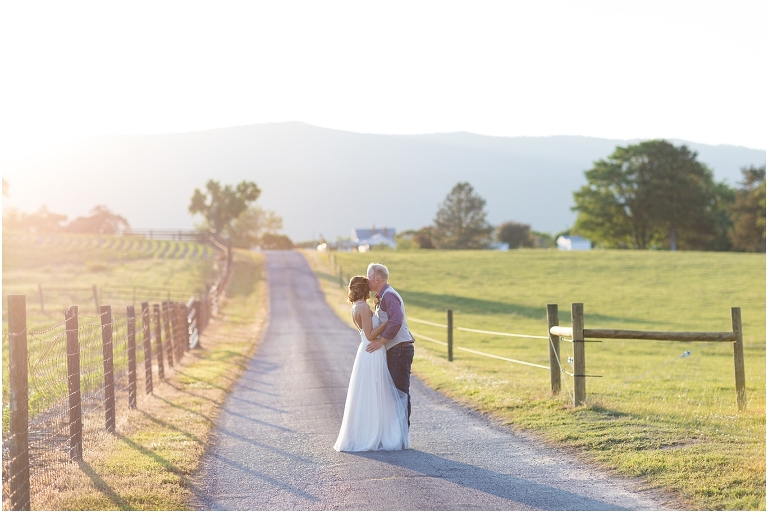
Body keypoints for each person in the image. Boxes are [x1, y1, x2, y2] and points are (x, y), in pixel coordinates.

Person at [333, 276, 410, 452]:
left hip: (366, 351)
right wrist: (387, 322)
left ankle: (369, 431)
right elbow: (370, 334)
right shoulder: (363, 308)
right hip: (372, 351)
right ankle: (376, 434)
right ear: (365, 289)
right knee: (377, 392)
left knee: (369, 392)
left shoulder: (356, 307)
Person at [365, 262, 415, 426]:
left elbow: (396, 320)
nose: (367, 281)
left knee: (399, 392)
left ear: (377, 279)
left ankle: (401, 436)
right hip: (396, 349)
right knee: (394, 393)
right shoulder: (383, 295)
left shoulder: (389, 296)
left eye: (369, 277)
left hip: (399, 349)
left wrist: (381, 341)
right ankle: (396, 434)